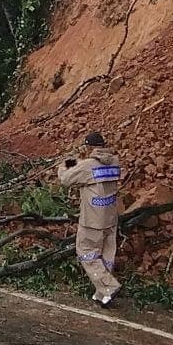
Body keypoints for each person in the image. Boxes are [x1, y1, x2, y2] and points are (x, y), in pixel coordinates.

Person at [57, 131, 123, 307]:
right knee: (106, 254)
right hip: (110, 217)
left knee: (86, 252)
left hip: (93, 220)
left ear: (88, 147)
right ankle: (102, 294)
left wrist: (66, 163)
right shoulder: (115, 161)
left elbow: (65, 179)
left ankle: (108, 287)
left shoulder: (87, 166)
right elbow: (92, 167)